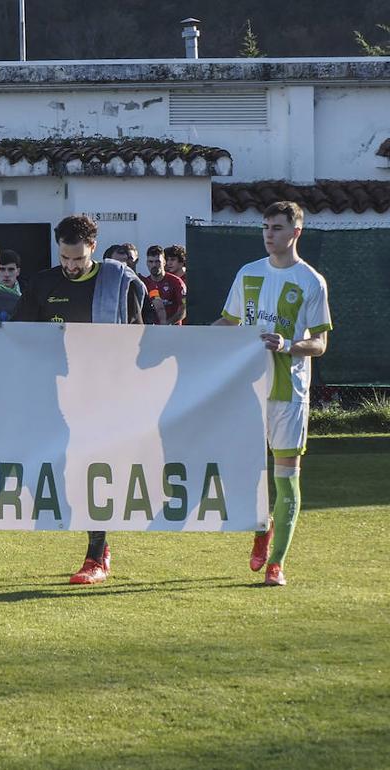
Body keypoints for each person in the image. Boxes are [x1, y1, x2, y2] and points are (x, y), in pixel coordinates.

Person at [14, 215, 144, 585]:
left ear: (94, 248)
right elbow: (20, 333)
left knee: (95, 471)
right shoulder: (41, 283)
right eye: (65, 258)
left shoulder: (120, 284)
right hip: (55, 395)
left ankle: (95, 556)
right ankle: (100, 547)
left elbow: (141, 339)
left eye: (78, 259)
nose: (71, 266)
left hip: (106, 396)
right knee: (69, 474)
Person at [213, 201, 332, 587]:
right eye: (265, 226)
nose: (269, 234)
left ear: (295, 232)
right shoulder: (248, 274)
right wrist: (187, 341)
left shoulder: (311, 281)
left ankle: (277, 563)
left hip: (288, 392)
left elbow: (320, 344)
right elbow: (228, 323)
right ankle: (261, 529)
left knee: (286, 476)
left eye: (277, 227)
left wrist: (287, 345)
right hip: (246, 389)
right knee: (247, 470)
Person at [142, 245, 187, 325]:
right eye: (151, 262)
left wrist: (168, 323)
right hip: (151, 330)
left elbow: (184, 308)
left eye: (157, 261)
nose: (154, 265)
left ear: (164, 262)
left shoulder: (177, 282)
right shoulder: (145, 283)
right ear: (146, 263)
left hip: (174, 330)